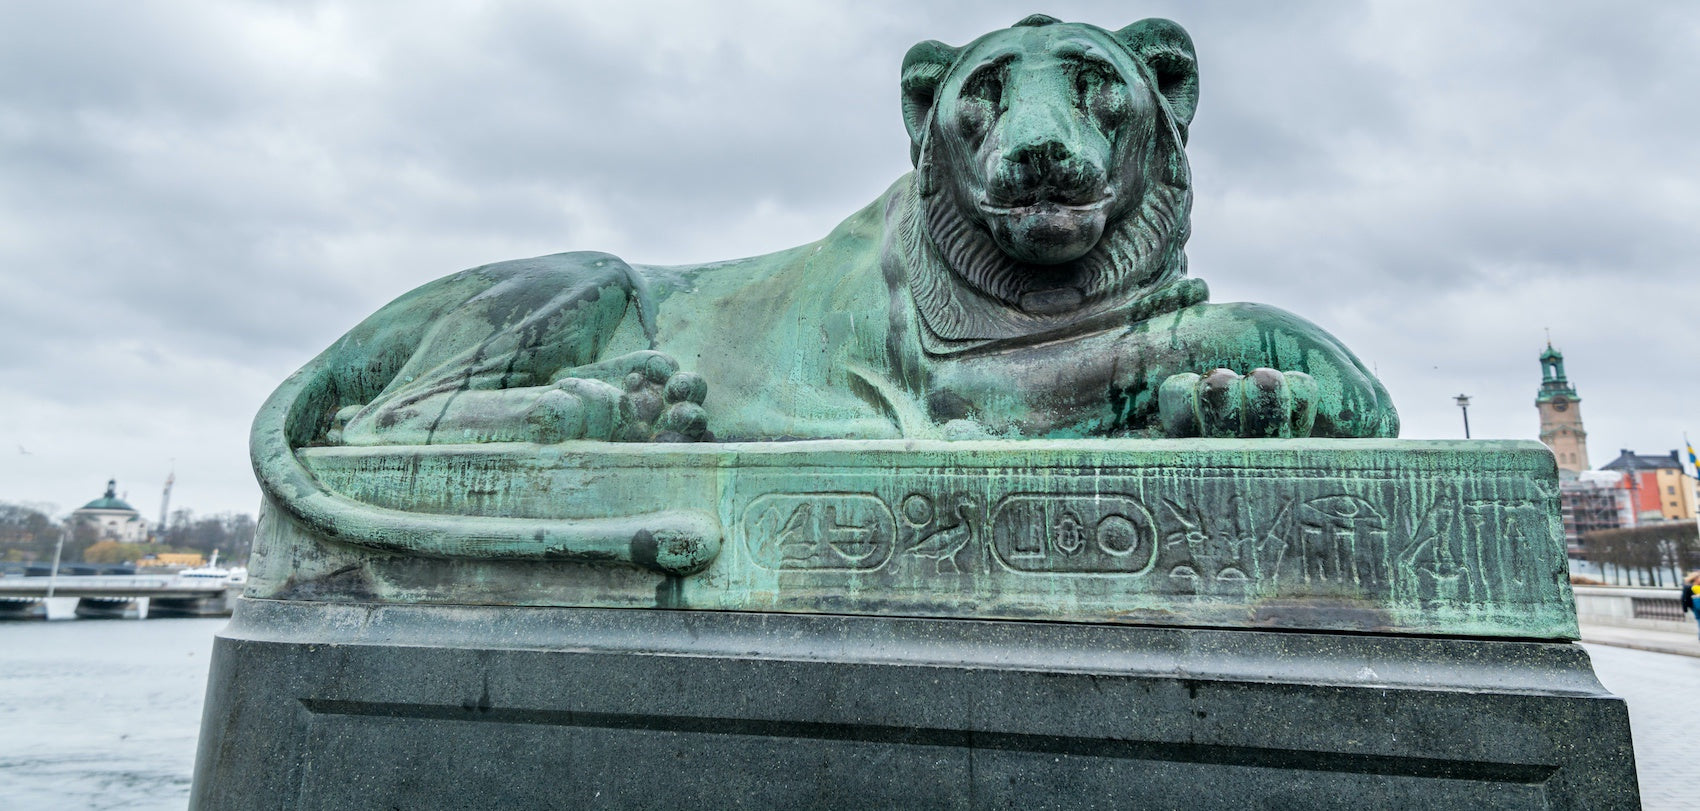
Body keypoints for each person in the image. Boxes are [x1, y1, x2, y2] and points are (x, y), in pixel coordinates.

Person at [1681, 572, 1700, 641]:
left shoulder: (1688, 587)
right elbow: (1684, 598)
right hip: (1695, 606)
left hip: (1694, 606)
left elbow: (1684, 599)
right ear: (1696, 579)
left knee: (1699, 620)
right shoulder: (1689, 587)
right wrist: (1685, 608)